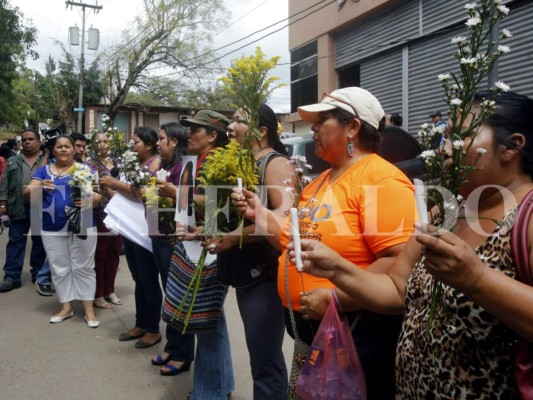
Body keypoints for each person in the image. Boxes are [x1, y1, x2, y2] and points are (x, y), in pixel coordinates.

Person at [285, 90, 533, 398]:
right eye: (444, 138)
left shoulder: (527, 217)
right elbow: (395, 288)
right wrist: (337, 268)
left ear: (512, 147)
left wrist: (478, 279)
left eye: (459, 137)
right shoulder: (446, 211)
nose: (444, 150)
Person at [232, 87, 416, 399]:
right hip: (313, 331)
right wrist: (259, 213)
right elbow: (292, 240)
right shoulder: (320, 181)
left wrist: (337, 299)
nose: (313, 129)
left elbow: (398, 264)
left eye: (322, 120)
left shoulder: (381, 181)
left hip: (355, 332)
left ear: (353, 128)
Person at [202, 104, 291, 399]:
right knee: (258, 356)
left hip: (264, 274)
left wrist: (235, 235)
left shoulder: (274, 163)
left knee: (265, 359)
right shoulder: (236, 161)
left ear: (261, 131)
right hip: (241, 270)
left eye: (239, 121)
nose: (229, 127)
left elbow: (285, 219)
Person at [171, 111, 235, 397]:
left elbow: (220, 202)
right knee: (212, 321)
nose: (189, 134)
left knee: (207, 322)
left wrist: (173, 193)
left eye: (196, 130)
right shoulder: (198, 162)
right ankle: (220, 386)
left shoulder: (218, 162)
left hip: (215, 248)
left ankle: (210, 393)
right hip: (205, 242)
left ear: (212, 136)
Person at [23, 135, 102, 327]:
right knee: (59, 268)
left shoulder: (85, 169)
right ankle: (66, 307)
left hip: (83, 226)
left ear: (74, 150)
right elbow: (27, 194)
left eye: (68, 146)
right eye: (60, 147)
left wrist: (89, 201)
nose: (64, 149)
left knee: (84, 267)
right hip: (52, 227)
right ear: (54, 150)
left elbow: (99, 196)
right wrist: (40, 186)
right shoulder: (44, 171)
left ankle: (89, 310)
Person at [100, 127, 164, 348]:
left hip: (146, 228)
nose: (132, 146)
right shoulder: (133, 164)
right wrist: (108, 188)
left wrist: (115, 183)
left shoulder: (155, 164)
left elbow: (143, 193)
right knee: (138, 279)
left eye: (135, 142)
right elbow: (128, 194)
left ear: (149, 145)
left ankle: (154, 328)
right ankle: (141, 323)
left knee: (148, 278)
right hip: (130, 226)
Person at [146, 121, 197, 377]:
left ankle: (183, 353)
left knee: (178, 297)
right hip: (158, 235)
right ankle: (173, 345)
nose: (158, 142)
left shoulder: (184, 167)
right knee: (170, 296)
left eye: (162, 138)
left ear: (174, 142)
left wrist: (171, 191)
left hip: (172, 239)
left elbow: (190, 201)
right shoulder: (164, 165)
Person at [0, 129, 51, 295]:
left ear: (38, 141)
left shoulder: (48, 162)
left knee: (39, 242)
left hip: (41, 207)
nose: (27, 142)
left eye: (30, 139)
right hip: (18, 207)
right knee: (15, 241)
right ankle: (11, 277)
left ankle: (38, 274)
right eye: (24, 140)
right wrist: (2, 204)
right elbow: (4, 184)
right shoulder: (12, 161)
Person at [86, 133, 124, 309]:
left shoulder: (119, 163)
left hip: (120, 212)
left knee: (114, 251)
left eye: (105, 141)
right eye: (98, 142)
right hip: (101, 212)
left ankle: (110, 290)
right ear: (93, 145)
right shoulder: (90, 164)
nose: (102, 145)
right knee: (100, 253)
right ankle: (98, 293)